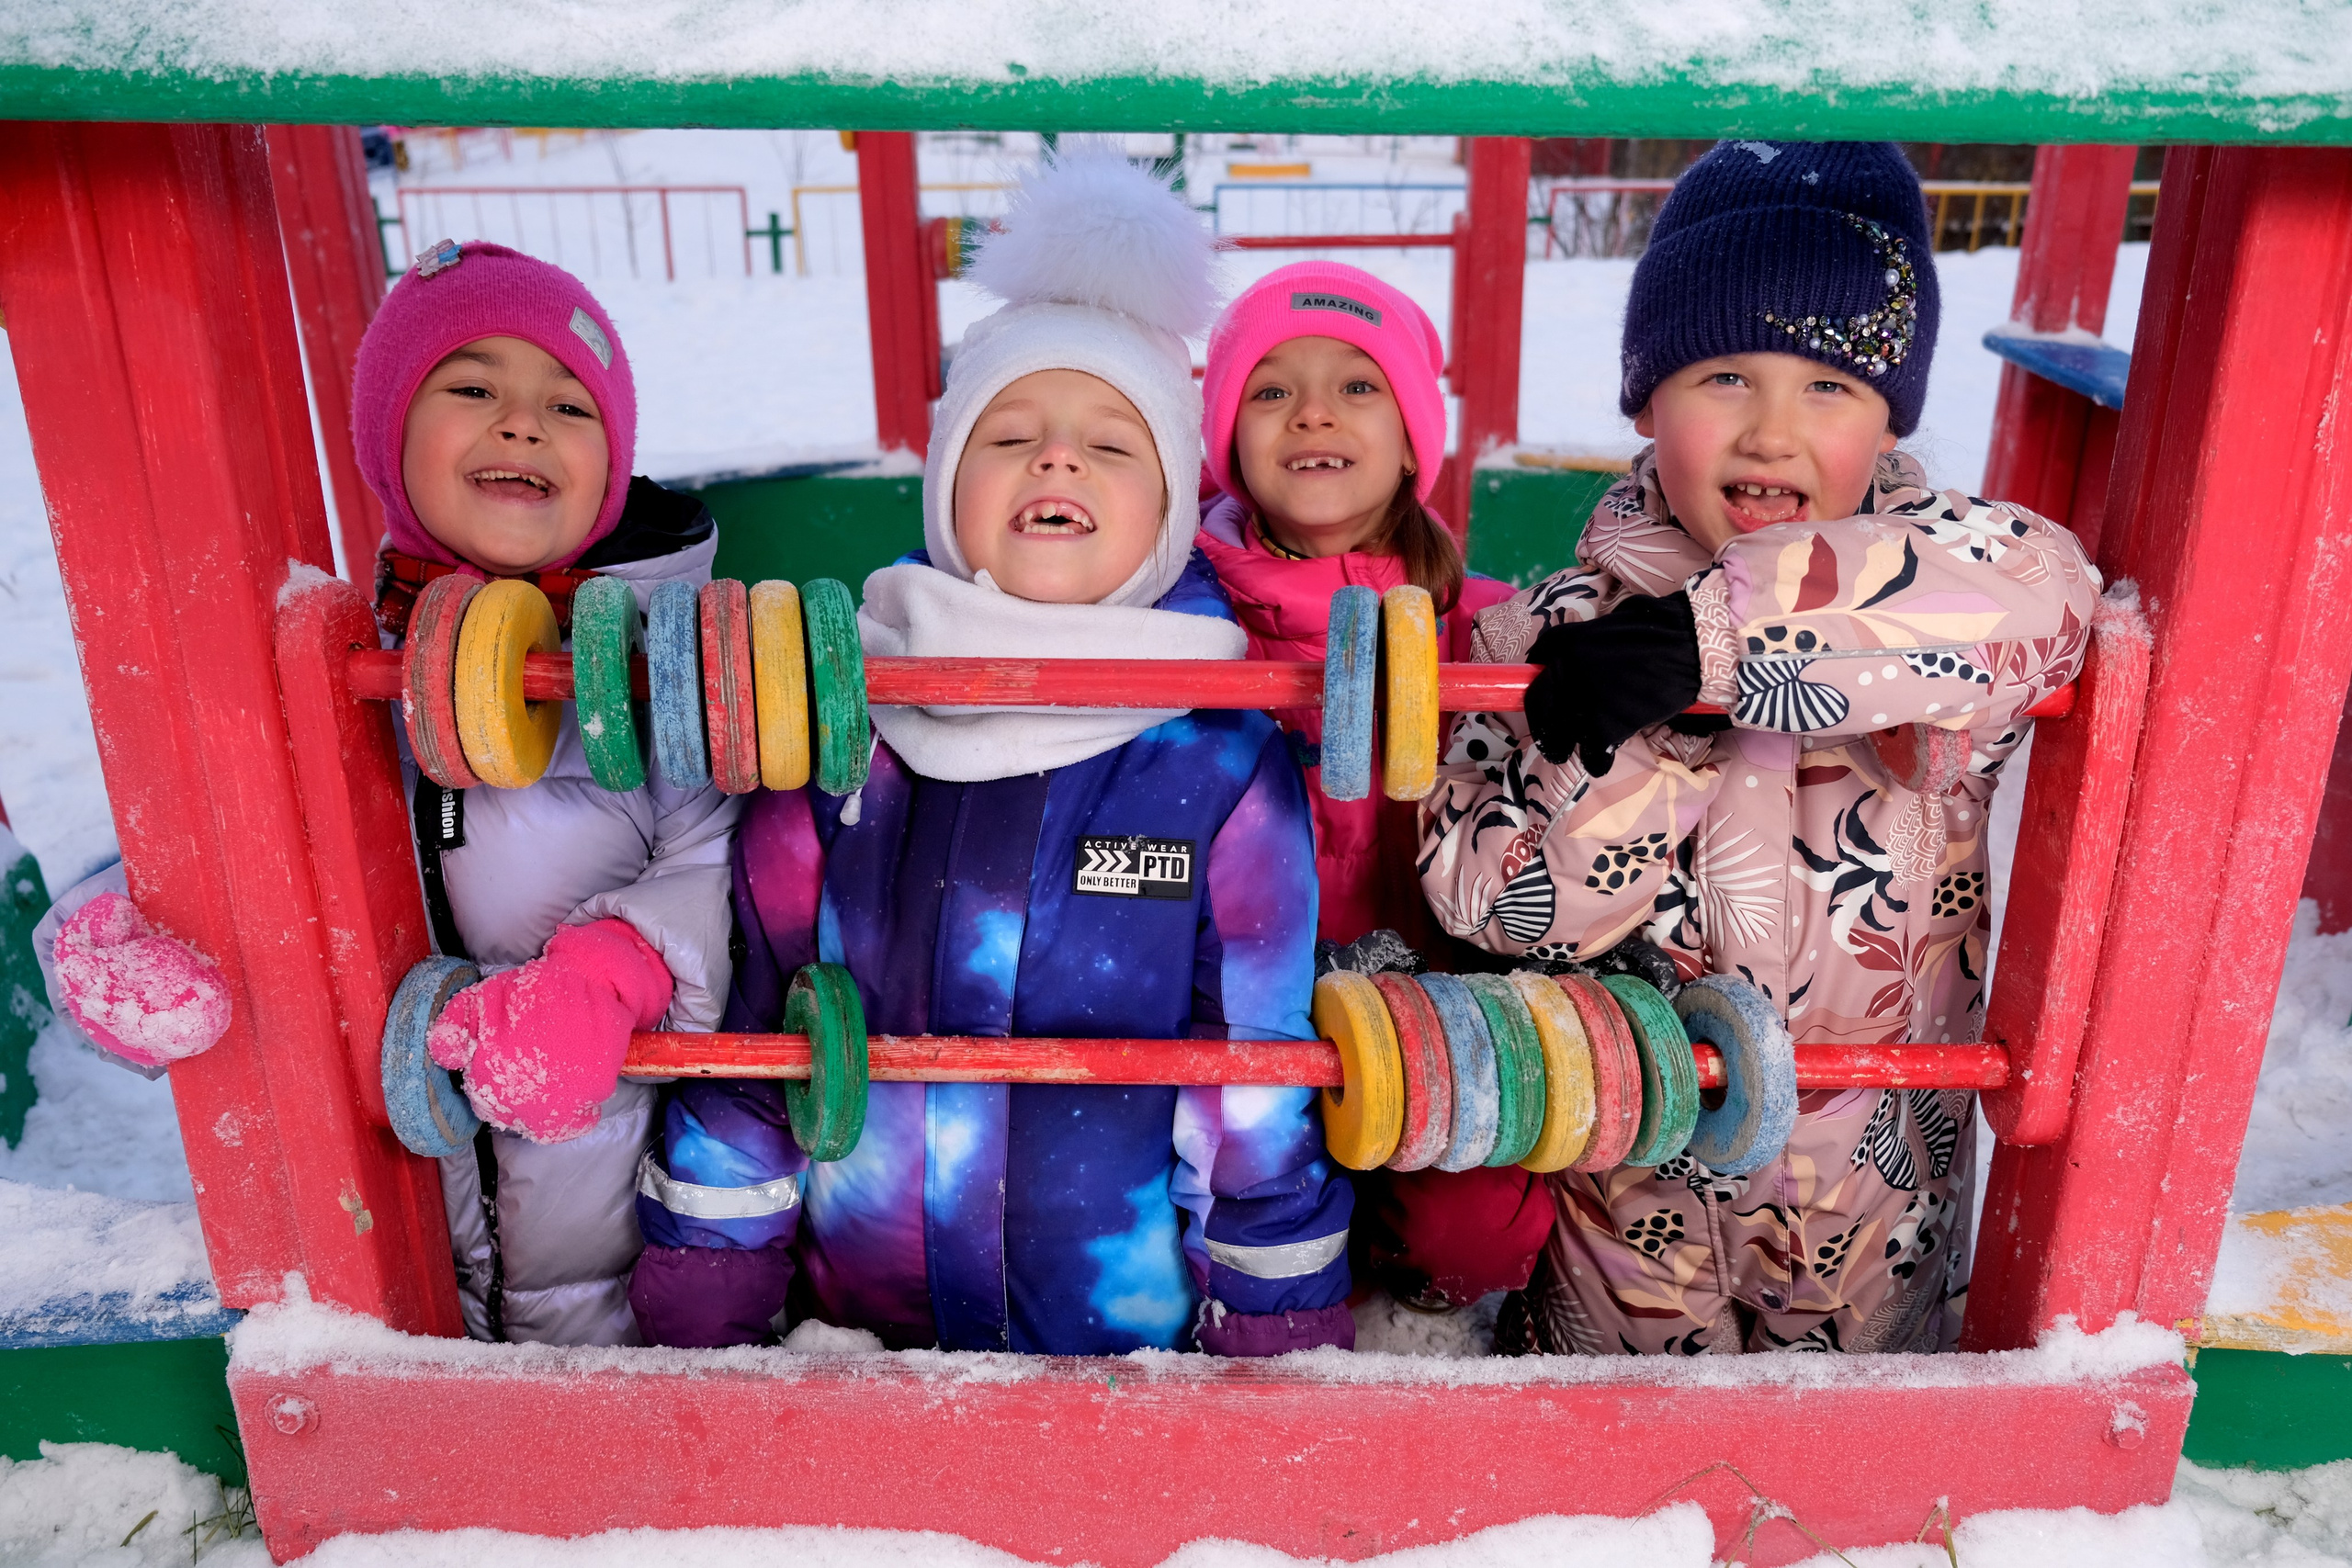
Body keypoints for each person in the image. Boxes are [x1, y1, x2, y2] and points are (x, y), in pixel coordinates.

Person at [626, 150, 1352, 1357]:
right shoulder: (841, 733)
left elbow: (1260, 1095)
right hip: (862, 1341)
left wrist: (1275, 1343)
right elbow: (760, 1036)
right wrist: (709, 1297)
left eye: (1113, 446)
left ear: (1170, 510)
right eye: (1009, 433)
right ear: (946, 487)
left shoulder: (1217, 765)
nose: (1057, 459)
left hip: (1122, 1347)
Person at [1419, 141, 2101, 1354]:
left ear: (1891, 415)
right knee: (1605, 1489)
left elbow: (2052, 601)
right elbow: (1500, 901)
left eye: (1831, 387)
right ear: (1647, 400)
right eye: (1725, 375)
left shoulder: (1949, 586)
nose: (1774, 431)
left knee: (1861, 1503)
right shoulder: (1542, 633)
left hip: (1874, 1187)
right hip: (1626, 1184)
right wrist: (1653, 742)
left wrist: (1723, 643)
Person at [1196, 263, 1545, 1314]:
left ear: (1409, 441)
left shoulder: (1490, 631)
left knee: (1471, 1241)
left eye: (1357, 385)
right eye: (1270, 390)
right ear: (1227, 441)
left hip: (1430, 1012)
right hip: (1227, 1017)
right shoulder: (1181, 628)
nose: (1312, 411)